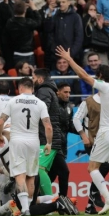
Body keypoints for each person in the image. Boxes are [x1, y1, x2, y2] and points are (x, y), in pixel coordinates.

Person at [56, 43, 109, 215]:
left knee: (92, 168)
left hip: (106, 133)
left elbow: (84, 75)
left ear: (102, 77)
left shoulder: (105, 87)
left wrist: (70, 59)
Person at [0, 77, 53, 216]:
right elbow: (48, 126)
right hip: (33, 142)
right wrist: (49, 143)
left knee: (20, 176)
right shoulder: (40, 103)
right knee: (31, 177)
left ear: (20, 88)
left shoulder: (13, 101)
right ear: (32, 88)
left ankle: (25, 209)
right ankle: (29, 206)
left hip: (17, 141)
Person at [33, 69, 69, 197]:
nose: (32, 81)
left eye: (33, 78)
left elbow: (41, 111)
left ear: (40, 79)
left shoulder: (43, 91)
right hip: (54, 138)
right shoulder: (50, 91)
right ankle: (63, 200)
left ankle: (49, 200)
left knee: (39, 169)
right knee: (62, 171)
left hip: (47, 138)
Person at [73, 93, 109, 214]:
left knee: (99, 169)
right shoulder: (88, 102)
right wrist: (83, 136)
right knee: (103, 166)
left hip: (105, 140)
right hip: (91, 141)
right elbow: (76, 119)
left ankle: (90, 206)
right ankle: (94, 194)